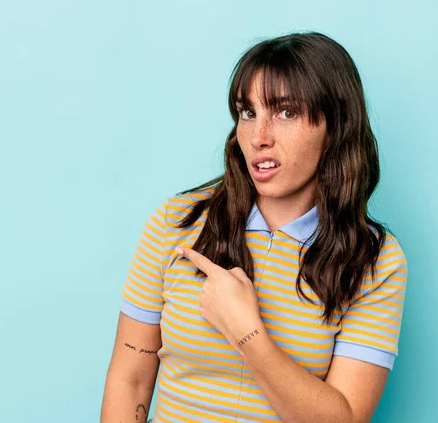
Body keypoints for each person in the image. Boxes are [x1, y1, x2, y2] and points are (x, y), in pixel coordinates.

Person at [100, 31, 408, 423]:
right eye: (248, 113)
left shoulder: (376, 261)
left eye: (285, 112)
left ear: (334, 126)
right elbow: (130, 380)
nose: (258, 137)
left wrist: (248, 333)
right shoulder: (176, 222)